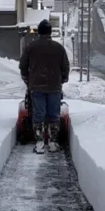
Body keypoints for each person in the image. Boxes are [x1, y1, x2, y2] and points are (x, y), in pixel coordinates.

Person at [19, 19, 70, 154]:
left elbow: (22, 66)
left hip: (36, 86)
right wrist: (62, 79)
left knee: (38, 114)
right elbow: (65, 66)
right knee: (53, 114)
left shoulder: (30, 47)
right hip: (54, 86)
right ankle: (53, 143)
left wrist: (28, 80)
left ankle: (40, 143)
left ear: (39, 32)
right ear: (50, 32)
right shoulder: (58, 48)